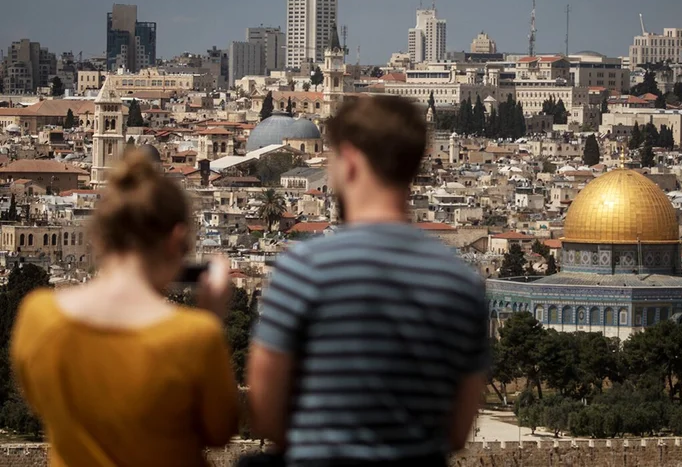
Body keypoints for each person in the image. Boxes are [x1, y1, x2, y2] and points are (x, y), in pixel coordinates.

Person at [247, 97, 489, 467]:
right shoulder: (461, 284)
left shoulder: (303, 270)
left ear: (350, 161)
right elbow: (458, 432)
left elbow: (265, 410)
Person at [11, 150, 239, 467]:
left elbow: (40, 404)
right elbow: (220, 431)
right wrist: (211, 318)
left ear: (99, 237)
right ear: (177, 240)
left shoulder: (39, 316)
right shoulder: (193, 336)